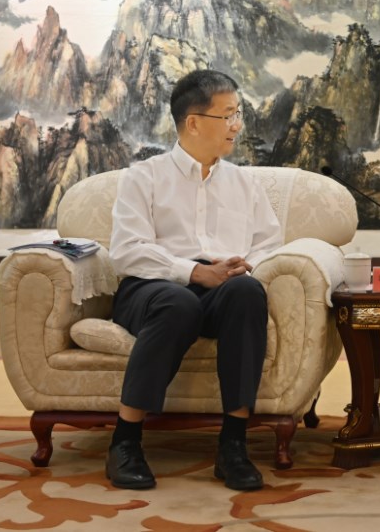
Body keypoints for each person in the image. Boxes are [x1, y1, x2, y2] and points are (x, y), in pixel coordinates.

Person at [106, 69, 282, 491]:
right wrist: (193, 271)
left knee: (246, 292)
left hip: (222, 287)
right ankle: (125, 441)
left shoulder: (244, 183)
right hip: (151, 288)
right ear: (194, 123)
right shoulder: (144, 177)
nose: (237, 126)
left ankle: (233, 445)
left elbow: (269, 243)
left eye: (238, 115)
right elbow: (127, 250)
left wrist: (246, 266)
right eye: (228, 115)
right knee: (178, 302)